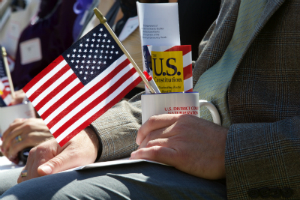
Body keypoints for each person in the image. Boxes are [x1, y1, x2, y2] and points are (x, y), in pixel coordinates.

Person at [1, 0, 299, 199]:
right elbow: (191, 82)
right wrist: (95, 135)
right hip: (165, 147)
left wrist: (231, 149)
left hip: (250, 173)